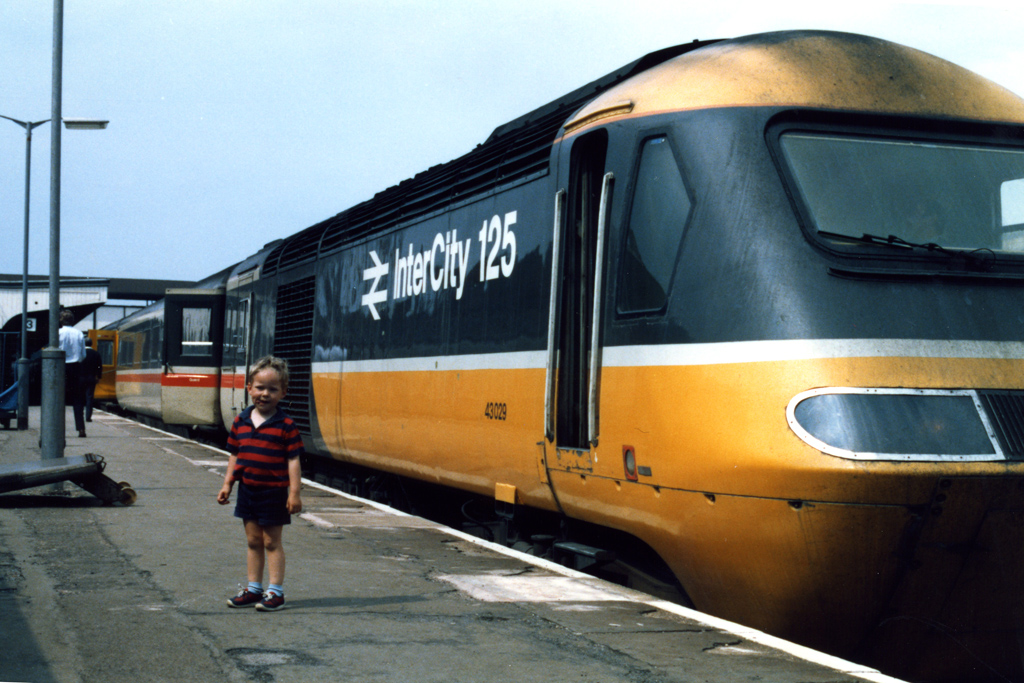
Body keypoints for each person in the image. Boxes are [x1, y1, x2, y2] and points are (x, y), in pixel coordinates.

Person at [217, 356, 303, 612]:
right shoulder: (240, 421)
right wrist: (227, 484)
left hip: (274, 492)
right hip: (247, 490)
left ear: (283, 392)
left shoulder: (286, 424)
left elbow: (293, 460)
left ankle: (275, 592)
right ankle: (254, 589)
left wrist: (295, 493)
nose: (265, 394)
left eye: (272, 389)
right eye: (260, 388)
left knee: (271, 542)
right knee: (253, 540)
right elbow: (234, 455)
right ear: (249, 388)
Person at [58, 309, 87, 437]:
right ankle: (81, 429)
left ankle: (57, 428)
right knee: (77, 399)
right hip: (76, 368)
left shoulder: (57, 333)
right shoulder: (79, 333)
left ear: (60, 320)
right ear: (73, 320)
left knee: (58, 398)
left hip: (61, 367)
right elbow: (83, 355)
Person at [81, 338, 103, 422]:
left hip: (81, 378)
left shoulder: (81, 353)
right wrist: (98, 377)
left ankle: (80, 415)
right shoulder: (96, 354)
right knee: (89, 397)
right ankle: (88, 417)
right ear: (91, 344)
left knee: (81, 397)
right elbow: (99, 366)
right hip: (91, 378)